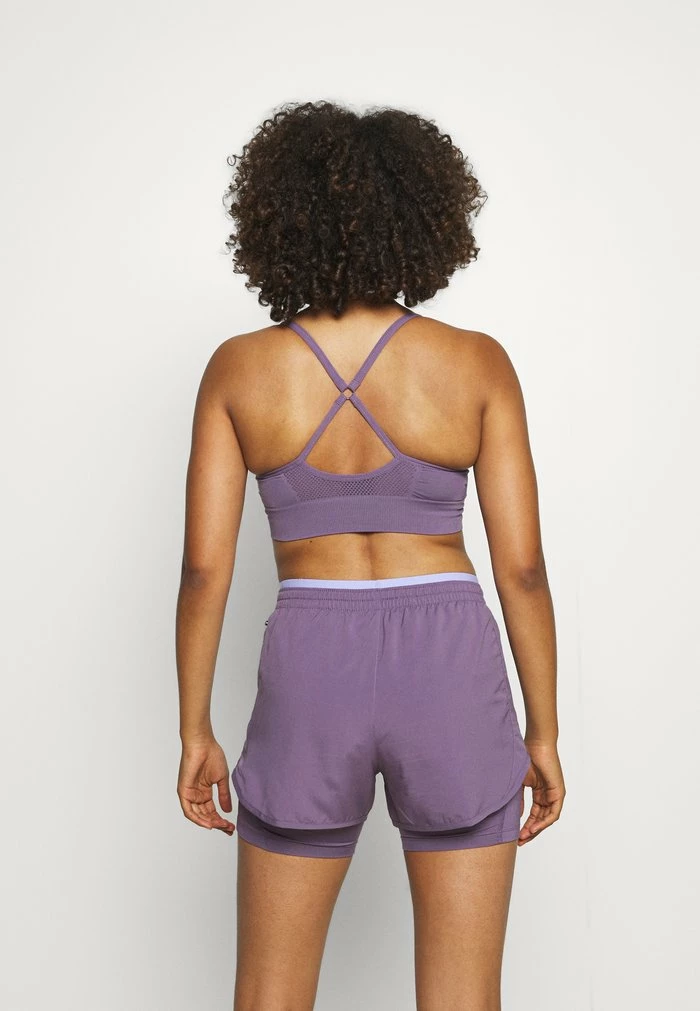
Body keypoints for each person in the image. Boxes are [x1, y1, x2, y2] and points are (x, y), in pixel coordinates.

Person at [176, 100, 565, 1011]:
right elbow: (523, 570)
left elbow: (204, 570)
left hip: (312, 652)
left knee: (270, 994)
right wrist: (542, 732)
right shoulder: (475, 363)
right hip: (448, 655)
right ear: (423, 219)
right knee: (464, 997)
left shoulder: (239, 369)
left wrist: (195, 729)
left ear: (278, 220)